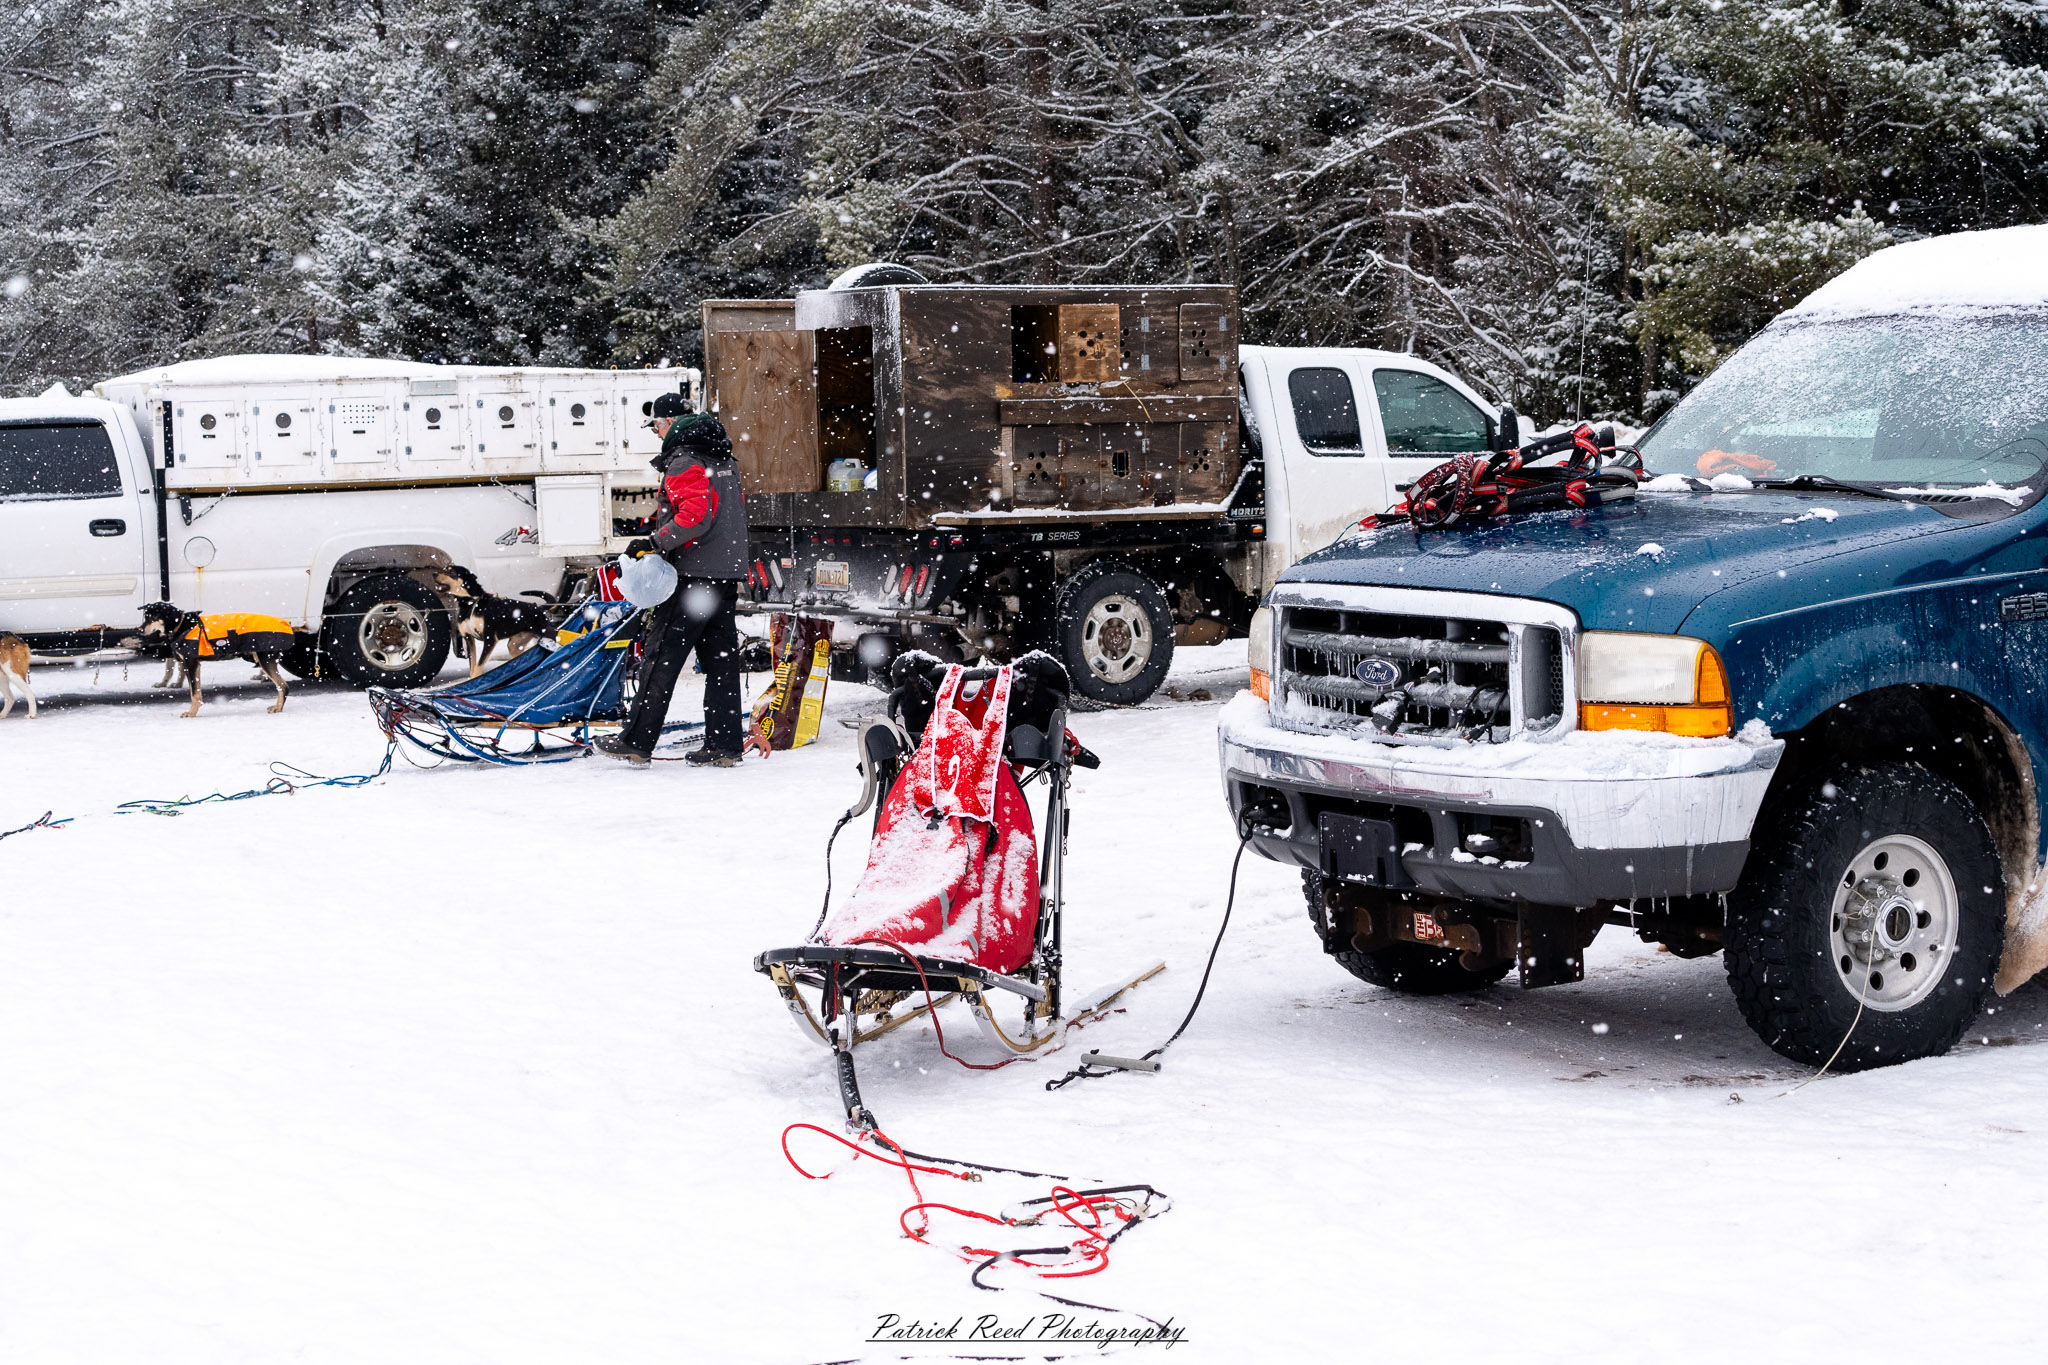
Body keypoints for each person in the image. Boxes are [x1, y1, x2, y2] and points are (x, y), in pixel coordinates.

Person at [595, 398, 749, 766]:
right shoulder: (723, 459)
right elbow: (716, 513)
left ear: (667, 422)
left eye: (655, 426)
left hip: (693, 579)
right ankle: (724, 746)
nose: (656, 433)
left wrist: (654, 542)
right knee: (720, 663)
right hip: (724, 574)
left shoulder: (684, 460)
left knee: (661, 658)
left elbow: (695, 517)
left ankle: (636, 741)